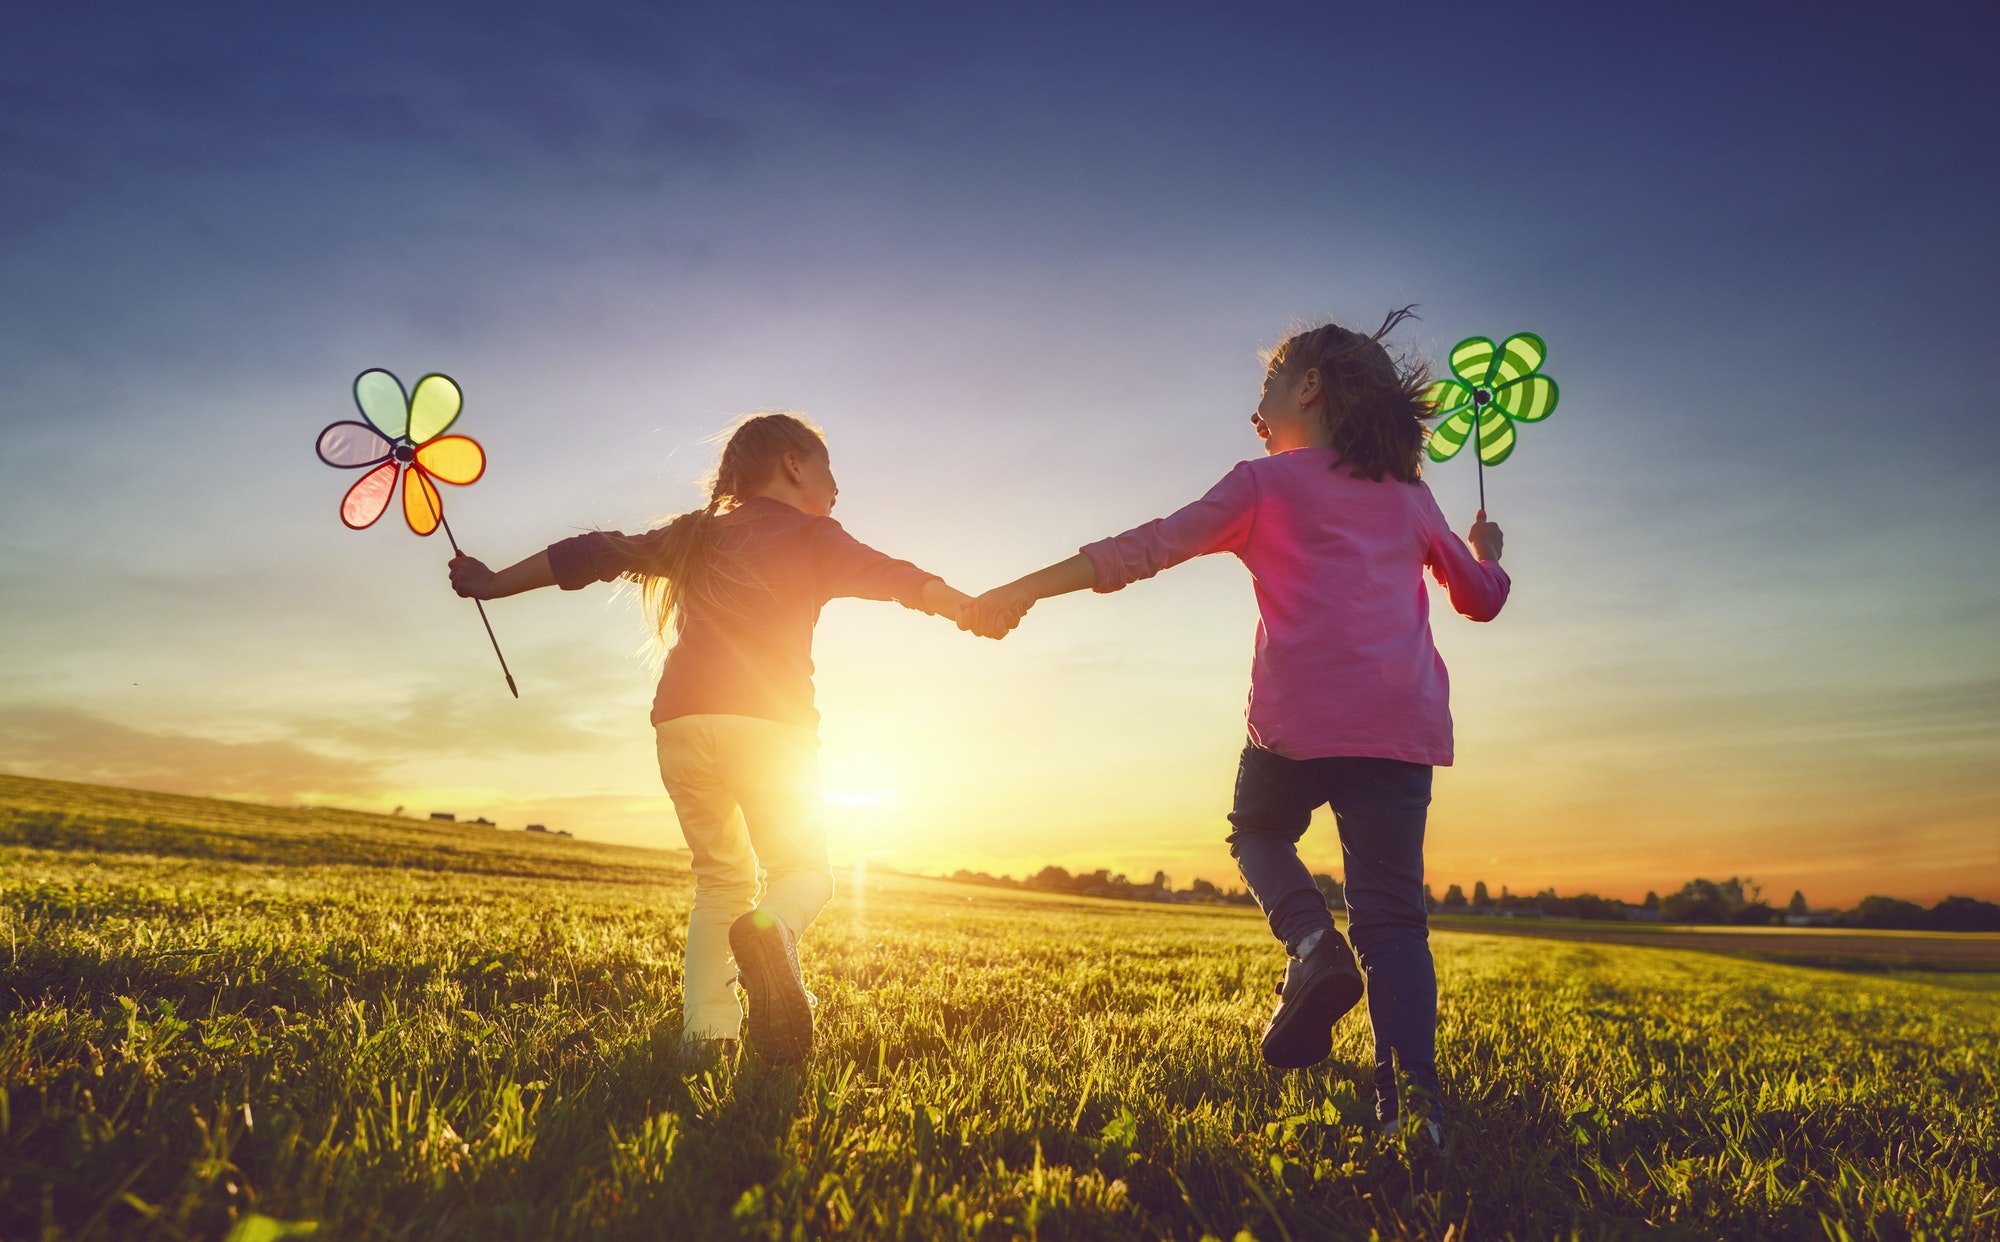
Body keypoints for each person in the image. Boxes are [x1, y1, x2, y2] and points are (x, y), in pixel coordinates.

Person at [966, 309, 1507, 1143]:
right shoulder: (1411, 498)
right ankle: (1413, 1111)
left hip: (1296, 725)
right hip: (1398, 731)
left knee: (1256, 832)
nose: (1257, 406)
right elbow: (1479, 599)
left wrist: (1024, 587)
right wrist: (1487, 551)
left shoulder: (1263, 485)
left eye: (1270, 384)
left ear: (1310, 387)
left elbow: (1145, 547)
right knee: (1394, 920)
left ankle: (1311, 942)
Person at [448, 413, 977, 1065]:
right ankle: (773, 932)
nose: (837, 486)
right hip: (769, 724)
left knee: (720, 883)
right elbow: (892, 575)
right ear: (793, 465)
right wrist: (964, 606)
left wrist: (492, 583)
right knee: (805, 872)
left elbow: (594, 552)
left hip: (681, 722)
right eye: (828, 468)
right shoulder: (814, 534)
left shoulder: (693, 535)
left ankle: (705, 1039)